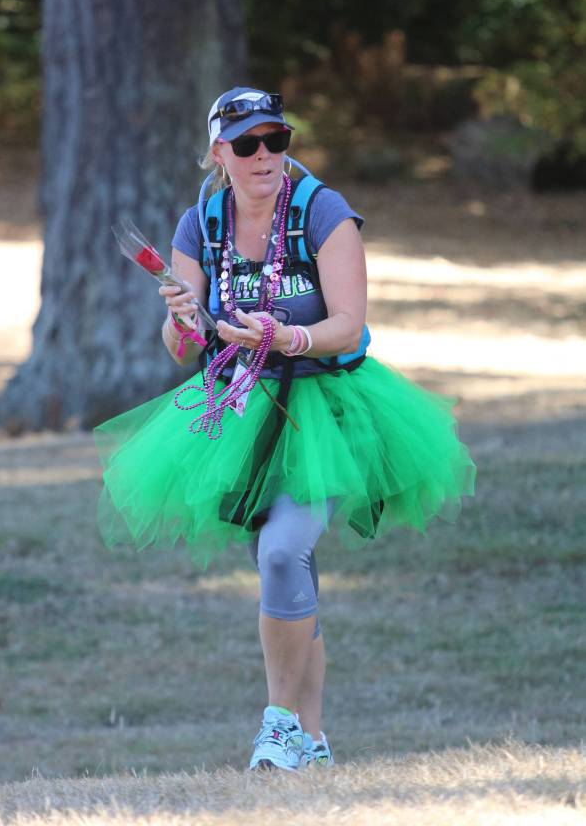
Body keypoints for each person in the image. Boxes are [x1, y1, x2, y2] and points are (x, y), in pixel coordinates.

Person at [94, 86, 476, 772]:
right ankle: (313, 739)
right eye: (247, 144)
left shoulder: (320, 211)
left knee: (281, 555)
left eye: (276, 139)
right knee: (284, 569)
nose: (264, 154)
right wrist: (182, 318)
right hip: (239, 409)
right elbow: (183, 347)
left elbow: (348, 325)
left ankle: (276, 725)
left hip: (326, 407)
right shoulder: (200, 224)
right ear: (219, 153)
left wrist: (286, 336)